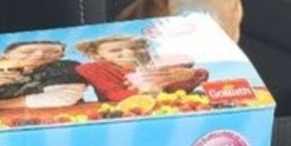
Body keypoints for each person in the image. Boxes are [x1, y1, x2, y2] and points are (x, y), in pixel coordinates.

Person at [0, 40, 86, 116]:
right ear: (3, 58)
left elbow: (62, 98)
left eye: (53, 52)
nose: (40, 55)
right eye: (28, 51)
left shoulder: (66, 67)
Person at [75, 34, 209, 103]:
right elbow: (112, 94)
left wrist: (192, 74)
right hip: (124, 111)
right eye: (115, 50)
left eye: (136, 48)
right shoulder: (97, 69)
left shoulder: (156, 65)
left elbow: (201, 74)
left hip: (170, 106)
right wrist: (143, 92)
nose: (129, 53)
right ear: (97, 55)